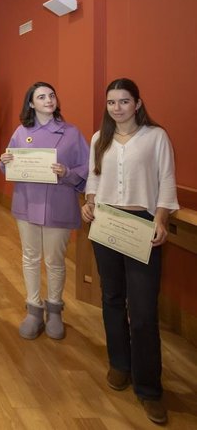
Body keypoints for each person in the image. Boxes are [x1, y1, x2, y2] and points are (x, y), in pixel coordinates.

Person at [81, 78, 178, 425]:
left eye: (124, 101)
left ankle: (150, 388)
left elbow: (166, 181)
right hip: (106, 223)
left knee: (142, 311)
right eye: (111, 102)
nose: (117, 108)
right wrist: (89, 203)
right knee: (110, 298)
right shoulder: (99, 139)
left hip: (142, 225)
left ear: (137, 103)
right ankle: (119, 364)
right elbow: (94, 178)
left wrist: (162, 219)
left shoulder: (156, 137)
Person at [0, 82, 89, 340]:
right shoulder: (20, 132)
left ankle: (55, 309)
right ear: (31, 103)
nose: (48, 100)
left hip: (58, 204)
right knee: (30, 256)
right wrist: (6, 163)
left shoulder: (71, 133)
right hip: (27, 203)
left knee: (54, 260)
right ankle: (34, 309)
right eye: (41, 97)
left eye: (51, 95)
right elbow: (11, 167)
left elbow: (88, 167)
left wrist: (67, 173)